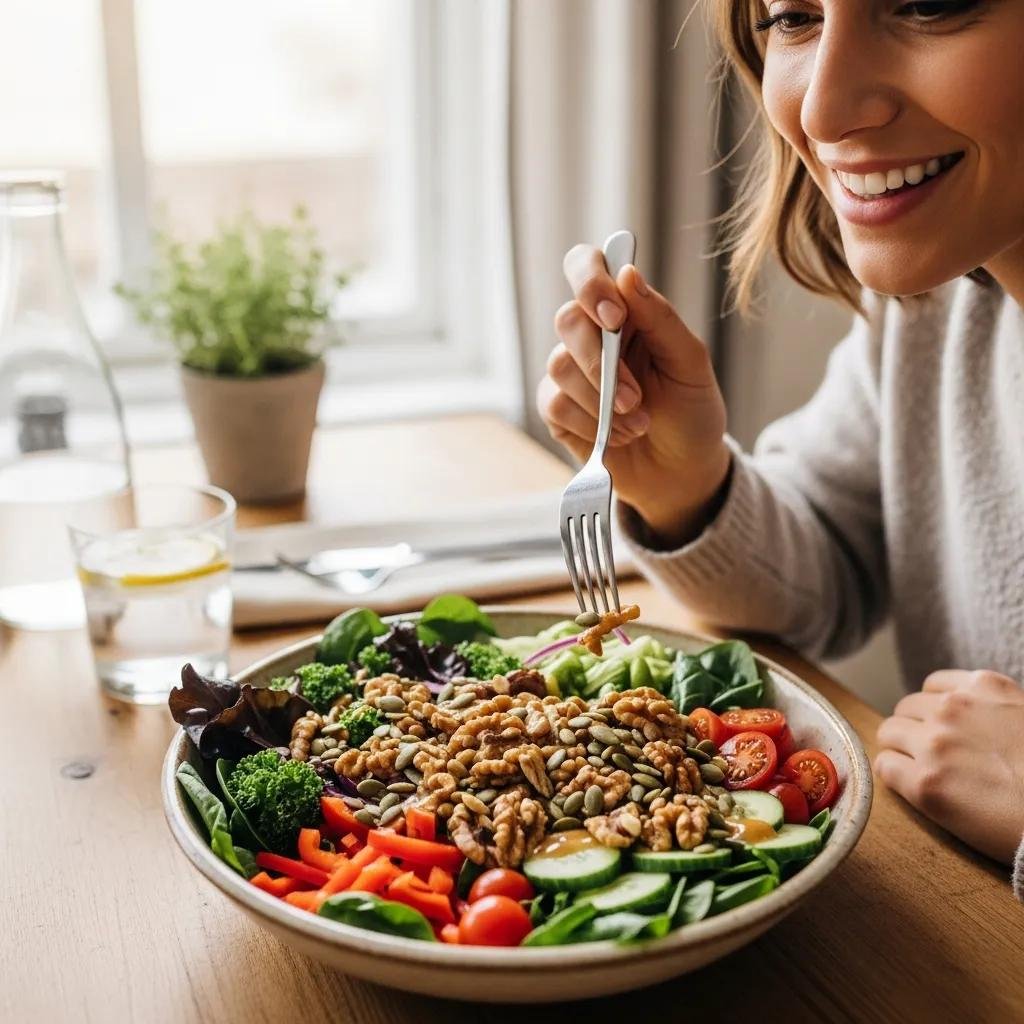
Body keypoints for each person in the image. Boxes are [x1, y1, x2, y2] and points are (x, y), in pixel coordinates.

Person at [537, 0, 1024, 900]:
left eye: (925, 4)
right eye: (794, 17)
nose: (822, 107)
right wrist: (689, 484)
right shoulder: (944, 302)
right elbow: (831, 561)